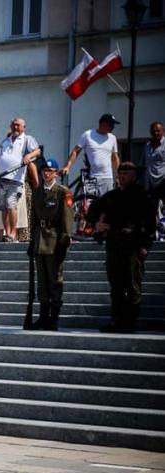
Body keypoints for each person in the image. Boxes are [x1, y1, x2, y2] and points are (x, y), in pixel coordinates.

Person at [88, 162, 155, 333]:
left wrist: (145, 245)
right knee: (116, 286)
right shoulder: (111, 196)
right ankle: (116, 321)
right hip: (114, 246)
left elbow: (148, 223)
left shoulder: (141, 196)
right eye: (121, 173)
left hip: (132, 247)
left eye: (127, 173)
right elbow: (92, 211)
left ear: (134, 175)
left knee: (133, 286)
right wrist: (98, 224)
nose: (123, 176)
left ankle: (129, 322)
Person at [28, 159, 74, 330]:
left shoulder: (63, 192)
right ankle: (43, 316)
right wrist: (32, 240)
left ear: (56, 173)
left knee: (55, 280)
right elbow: (33, 218)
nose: (47, 173)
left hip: (55, 240)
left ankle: (53, 317)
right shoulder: (37, 192)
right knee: (42, 281)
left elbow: (67, 218)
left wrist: (65, 239)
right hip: (40, 239)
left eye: (50, 170)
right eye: (44, 170)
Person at [0, 117, 40, 242]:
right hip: (1, 179)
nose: (16, 127)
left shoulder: (27, 139)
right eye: (14, 125)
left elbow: (37, 151)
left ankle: (13, 233)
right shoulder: (5, 141)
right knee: (3, 208)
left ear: (23, 127)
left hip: (15, 180)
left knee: (11, 205)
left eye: (18, 125)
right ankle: (7, 232)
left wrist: (29, 155)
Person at [61, 114, 121, 197]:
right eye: (111, 125)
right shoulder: (88, 135)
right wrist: (67, 167)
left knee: (107, 206)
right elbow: (76, 151)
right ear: (103, 124)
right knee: (90, 204)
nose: (113, 127)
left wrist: (118, 176)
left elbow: (115, 158)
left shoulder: (112, 138)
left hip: (107, 178)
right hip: (91, 177)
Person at [141, 121, 165, 230]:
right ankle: (154, 233)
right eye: (154, 131)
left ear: (163, 132)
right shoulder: (147, 145)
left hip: (163, 181)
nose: (156, 133)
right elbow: (143, 163)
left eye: (158, 131)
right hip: (150, 183)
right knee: (151, 210)